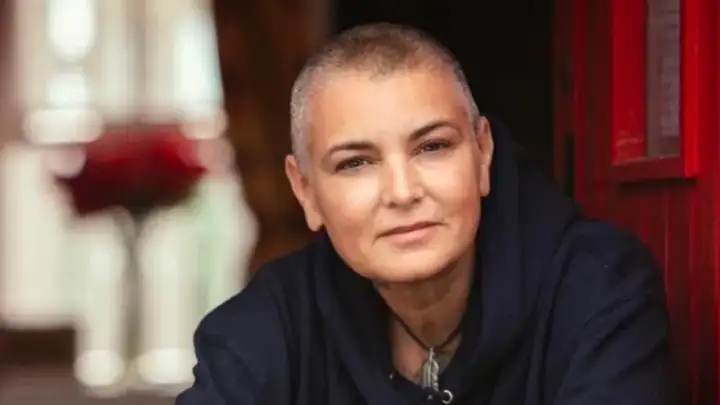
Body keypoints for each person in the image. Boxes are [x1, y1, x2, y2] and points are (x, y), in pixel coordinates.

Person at [176, 23, 676, 405]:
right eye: (356, 162)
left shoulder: (598, 288)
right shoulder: (268, 326)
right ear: (305, 191)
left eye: (432, 147)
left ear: (483, 154)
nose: (402, 192)